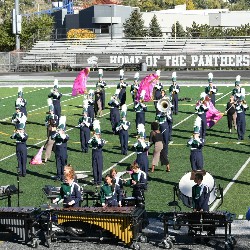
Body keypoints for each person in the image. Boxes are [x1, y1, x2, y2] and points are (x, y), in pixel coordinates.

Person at [51, 116, 69, 181]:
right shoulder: (57, 135)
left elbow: (65, 138)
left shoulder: (66, 135)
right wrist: (56, 133)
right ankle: (58, 175)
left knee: (63, 164)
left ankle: (63, 177)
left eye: (61, 129)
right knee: (58, 163)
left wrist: (61, 133)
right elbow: (52, 137)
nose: (60, 130)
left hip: (63, 152)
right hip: (57, 151)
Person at [88, 120, 105, 186]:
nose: (96, 135)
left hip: (99, 154)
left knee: (99, 168)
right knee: (94, 168)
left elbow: (100, 144)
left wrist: (96, 138)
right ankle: (95, 180)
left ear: (99, 135)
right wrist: (93, 137)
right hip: (94, 154)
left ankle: (99, 180)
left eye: (97, 134)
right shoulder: (93, 139)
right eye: (96, 134)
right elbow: (88, 142)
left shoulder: (101, 140)